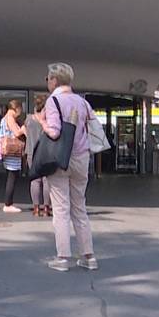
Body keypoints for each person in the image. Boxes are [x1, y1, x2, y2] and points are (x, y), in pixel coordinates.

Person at [38, 62, 97, 272]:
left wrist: (41, 122)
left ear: (54, 80)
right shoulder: (82, 102)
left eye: (48, 78)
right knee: (80, 208)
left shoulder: (54, 100)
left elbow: (54, 132)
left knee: (61, 209)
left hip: (61, 159)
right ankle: (88, 256)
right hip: (82, 158)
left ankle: (62, 257)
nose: (47, 81)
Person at [0, 99, 27, 213]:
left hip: (9, 152)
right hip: (12, 152)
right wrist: (23, 129)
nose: (20, 112)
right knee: (12, 176)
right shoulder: (10, 118)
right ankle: (8, 204)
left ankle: (8, 203)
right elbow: (17, 132)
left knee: (12, 175)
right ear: (16, 108)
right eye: (20, 109)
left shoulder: (5, 118)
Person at [25, 96, 51, 217]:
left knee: (35, 181)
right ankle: (46, 208)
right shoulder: (48, 121)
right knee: (46, 181)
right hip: (46, 153)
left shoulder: (29, 119)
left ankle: (36, 209)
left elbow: (24, 132)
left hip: (31, 152)